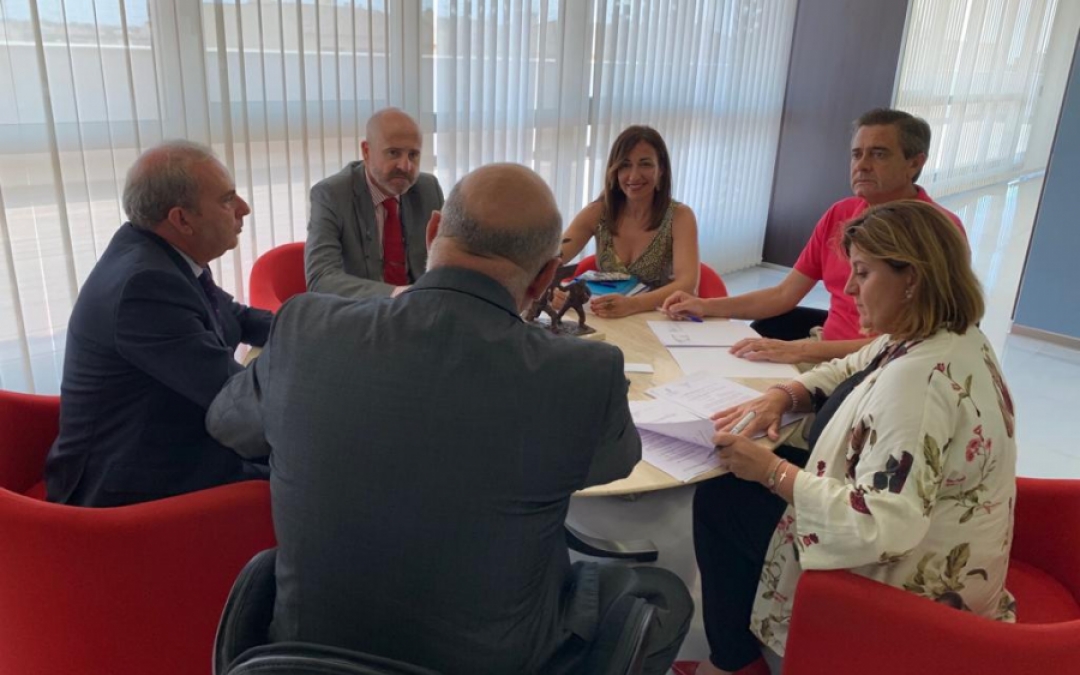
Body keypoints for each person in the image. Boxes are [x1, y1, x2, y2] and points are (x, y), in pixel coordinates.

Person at [207, 163, 692, 675]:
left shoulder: (306, 328)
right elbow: (613, 462)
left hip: (302, 659)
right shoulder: (582, 373)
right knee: (664, 594)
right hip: (498, 660)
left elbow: (227, 424)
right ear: (547, 275)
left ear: (433, 230)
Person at [689, 200, 1016, 675]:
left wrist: (771, 472)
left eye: (862, 273)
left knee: (721, 499)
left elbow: (880, 526)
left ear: (912, 279)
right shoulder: (947, 335)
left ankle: (736, 664)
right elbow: (851, 365)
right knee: (742, 489)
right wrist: (785, 393)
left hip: (909, 586)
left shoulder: (917, 383)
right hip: (952, 550)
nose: (847, 289)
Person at [44, 141, 273, 507]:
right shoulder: (145, 284)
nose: (244, 208)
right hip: (132, 487)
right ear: (181, 220)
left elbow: (239, 318)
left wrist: (327, 330)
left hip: (172, 443)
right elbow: (238, 401)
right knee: (325, 469)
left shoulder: (160, 256)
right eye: (227, 199)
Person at [662, 108, 964, 365]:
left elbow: (916, 344)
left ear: (915, 163)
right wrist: (705, 306)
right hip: (826, 351)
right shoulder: (840, 213)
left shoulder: (938, 231)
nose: (862, 165)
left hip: (881, 366)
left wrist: (801, 350)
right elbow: (784, 295)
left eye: (879, 154)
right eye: (856, 154)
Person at [557, 125, 699, 318]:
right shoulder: (597, 212)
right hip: (608, 320)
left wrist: (633, 304)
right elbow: (549, 261)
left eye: (645, 164)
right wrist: (551, 291)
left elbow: (687, 285)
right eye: (625, 165)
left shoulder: (680, 216)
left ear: (661, 170)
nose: (633, 176)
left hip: (661, 321)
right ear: (614, 171)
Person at [305, 107, 444, 299]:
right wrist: (398, 294)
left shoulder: (428, 189)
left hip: (420, 306)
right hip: (362, 310)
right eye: (393, 153)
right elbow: (321, 278)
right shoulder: (331, 195)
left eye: (413, 155)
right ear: (366, 151)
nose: (405, 166)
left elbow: (449, 260)